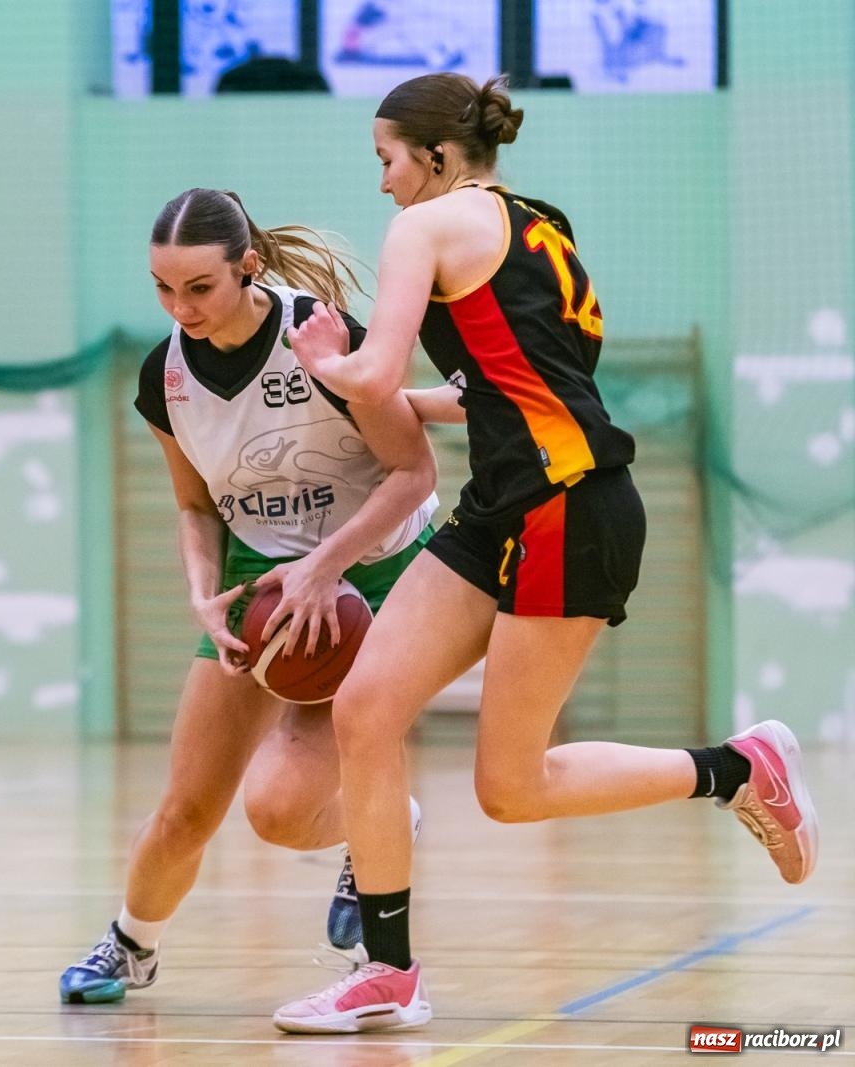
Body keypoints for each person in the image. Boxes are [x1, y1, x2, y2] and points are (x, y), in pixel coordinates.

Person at [270, 74, 818, 1034]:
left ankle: (736, 768)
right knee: (363, 706)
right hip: (503, 504)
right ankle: (387, 972)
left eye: (388, 161)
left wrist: (324, 358)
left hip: (569, 509)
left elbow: (375, 373)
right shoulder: (539, 225)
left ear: (435, 158)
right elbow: (495, 392)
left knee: (511, 787)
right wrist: (369, 388)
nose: (384, 184)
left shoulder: (427, 230)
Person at [59, 188, 439, 1004]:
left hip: (375, 573)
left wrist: (326, 566)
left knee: (276, 809)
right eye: (163, 287)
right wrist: (202, 591)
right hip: (262, 581)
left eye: (199, 286)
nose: (179, 306)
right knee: (185, 809)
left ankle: (382, 820)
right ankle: (132, 944)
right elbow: (195, 504)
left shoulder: (325, 340)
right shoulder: (163, 376)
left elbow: (414, 475)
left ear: (248, 267)